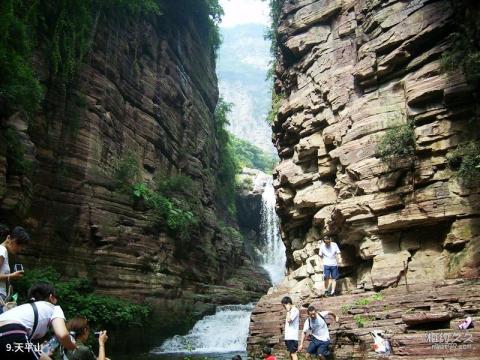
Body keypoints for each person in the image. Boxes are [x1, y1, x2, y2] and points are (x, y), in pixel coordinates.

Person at [0, 282, 77, 359]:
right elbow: (62, 335)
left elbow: (28, 347)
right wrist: (72, 346)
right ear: (51, 297)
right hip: (13, 330)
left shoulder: (25, 308)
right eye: (56, 297)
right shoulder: (54, 308)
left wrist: (40, 349)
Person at [0, 226, 30, 308]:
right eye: (21, 246)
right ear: (14, 241)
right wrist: (12, 276)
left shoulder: (3, 251)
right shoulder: (2, 250)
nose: (21, 250)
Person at [281, 296, 299, 360]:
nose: (284, 307)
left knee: (293, 354)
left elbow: (289, 320)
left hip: (292, 337)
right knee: (291, 354)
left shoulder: (295, 310)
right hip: (288, 337)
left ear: (288, 304)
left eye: (284, 305)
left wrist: (288, 311)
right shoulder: (290, 311)